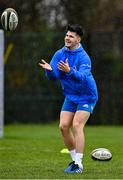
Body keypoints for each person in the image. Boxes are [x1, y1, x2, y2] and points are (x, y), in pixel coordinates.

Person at [39, 24, 98, 174]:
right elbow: (54, 77)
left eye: (71, 36)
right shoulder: (59, 54)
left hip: (87, 95)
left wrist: (70, 71)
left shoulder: (84, 57)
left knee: (77, 125)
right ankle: (74, 161)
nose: (67, 38)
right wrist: (50, 71)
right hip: (71, 96)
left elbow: (83, 78)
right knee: (63, 126)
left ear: (78, 39)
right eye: (66, 35)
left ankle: (79, 164)